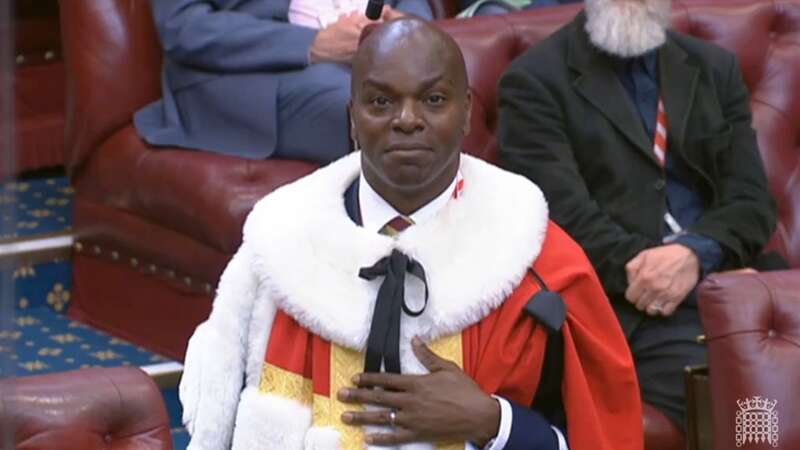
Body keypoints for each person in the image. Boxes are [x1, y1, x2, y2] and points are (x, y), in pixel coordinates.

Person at [178, 17, 644, 450]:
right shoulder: (278, 251)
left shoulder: (543, 270)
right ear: (353, 118)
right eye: (381, 101)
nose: (407, 119)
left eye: (434, 100)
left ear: (465, 113)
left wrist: (493, 423)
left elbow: (600, 435)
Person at [497, 0, 780, 429]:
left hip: (731, 280)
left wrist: (698, 258)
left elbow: (752, 200)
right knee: (750, 394)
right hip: (625, 309)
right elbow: (565, 222)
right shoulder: (534, 81)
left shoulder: (713, 67)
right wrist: (681, 280)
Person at [134, 0, 432, 163]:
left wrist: (404, 21)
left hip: (379, 53)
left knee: (445, 90)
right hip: (256, 70)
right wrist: (311, 45)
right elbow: (185, 28)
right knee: (381, 108)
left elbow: (412, 8)